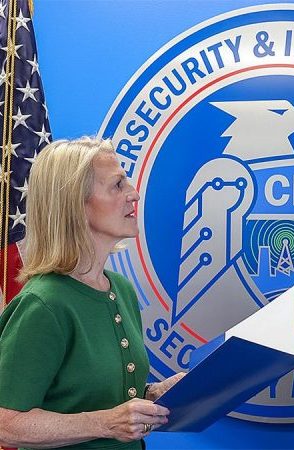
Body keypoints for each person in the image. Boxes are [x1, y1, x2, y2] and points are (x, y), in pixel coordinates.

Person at [0, 137, 183, 449]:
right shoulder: (44, 304)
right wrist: (106, 422)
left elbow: (90, 395)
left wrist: (152, 395)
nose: (134, 194)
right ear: (76, 204)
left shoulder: (121, 289)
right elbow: (6, 422)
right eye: (117, 185)